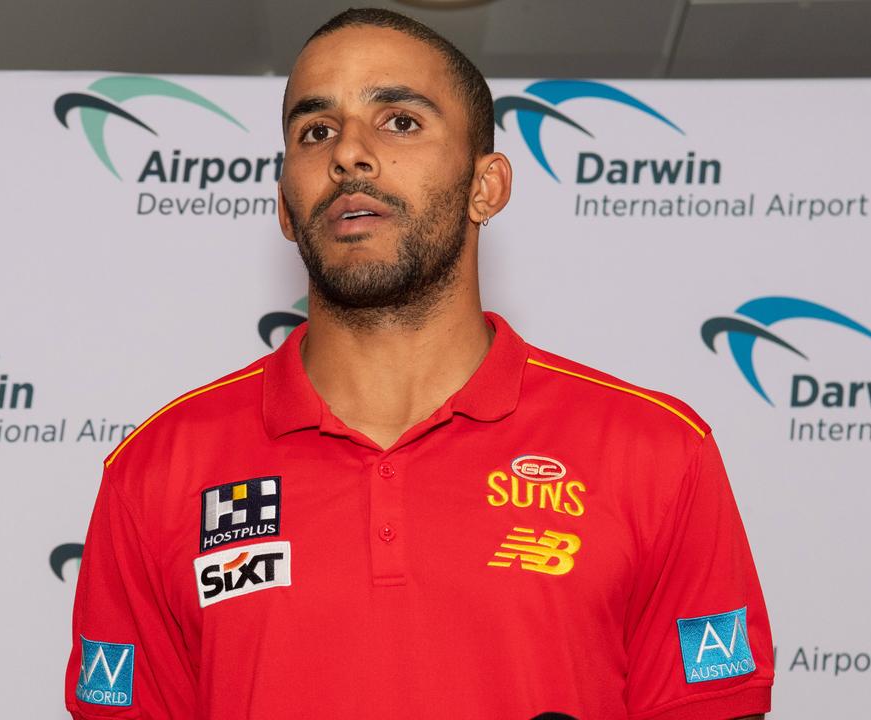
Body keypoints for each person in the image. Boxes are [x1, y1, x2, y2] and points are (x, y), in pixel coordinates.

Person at [65, 8, 773, 719]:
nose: (348, 155)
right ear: (285, 205)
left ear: (486, 186)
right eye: (316, 131)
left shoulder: (655, 452)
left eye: (399, 121)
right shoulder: (156, 470)